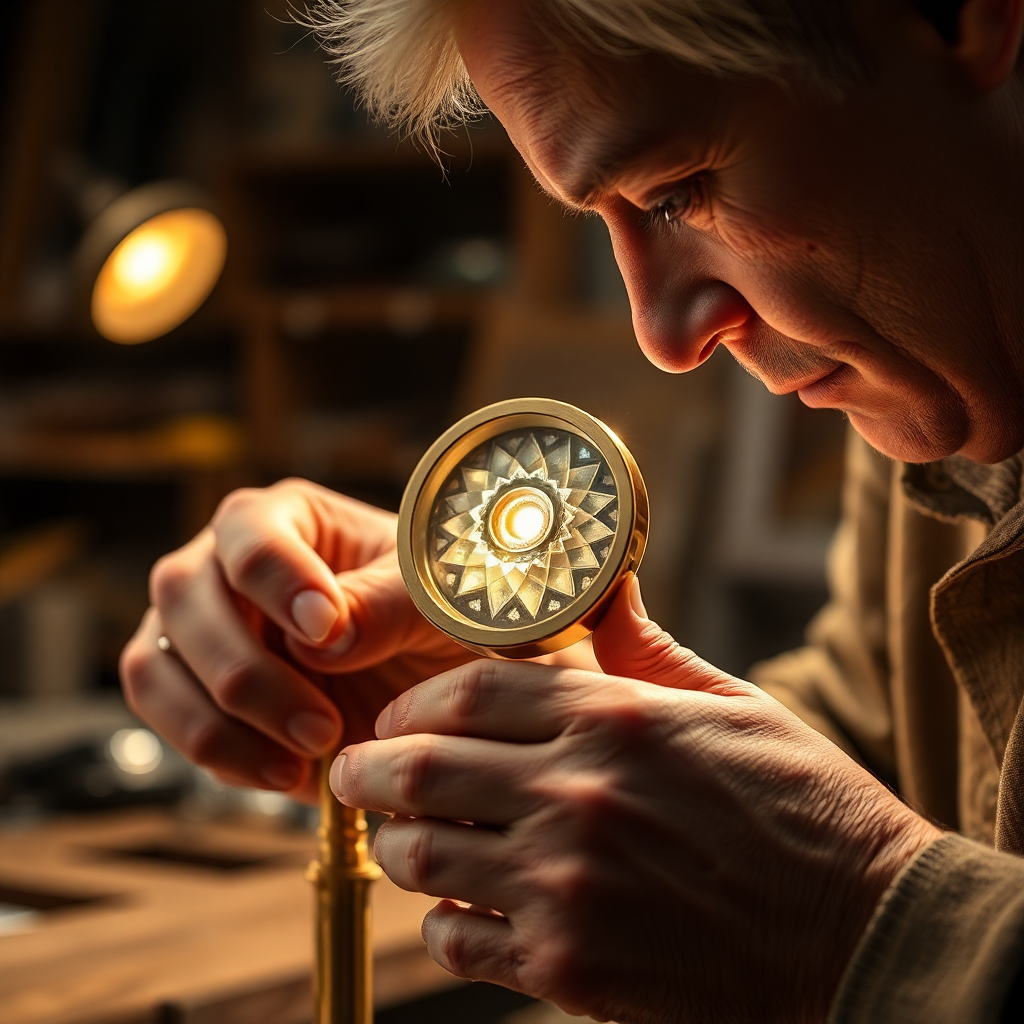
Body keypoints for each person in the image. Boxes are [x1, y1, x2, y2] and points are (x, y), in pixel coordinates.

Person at [120, 0, 1024, 1020]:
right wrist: (503, 711)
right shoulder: (942, 389)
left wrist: (859, 928)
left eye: (682, 191)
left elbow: (851, 866)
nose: (665, 335)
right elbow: (880, 745)